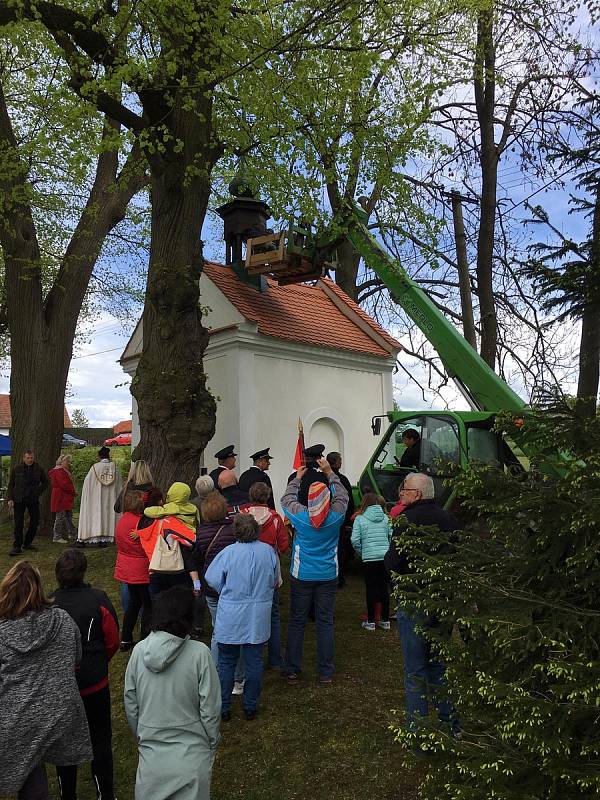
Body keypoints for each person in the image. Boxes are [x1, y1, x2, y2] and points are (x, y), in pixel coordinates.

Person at [0, 561, 92, 799]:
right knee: (35, 766)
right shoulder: (62, 619)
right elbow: (77, 656)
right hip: (60, 709)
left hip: (17, 715)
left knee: (28, 767)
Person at [124, 586, 221, 800]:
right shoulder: (200, 655)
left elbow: (131, 704)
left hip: (152, 762)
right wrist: (211, 743)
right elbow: (211, 709)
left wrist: (142, 734)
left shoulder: (139, 651)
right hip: (192, 760)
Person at [384, 473, 460, 732]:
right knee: (438, 663)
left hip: (414, 600)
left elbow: (392, 561)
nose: (400, 494)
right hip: (443, 600)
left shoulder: (406, 520)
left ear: (417, 494)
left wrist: (398, 585)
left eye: (404, 489)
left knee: (415, 669)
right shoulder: (449, 519)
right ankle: (450, 725)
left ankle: (419, 732)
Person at [52, 549, 119, 800]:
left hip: (71, 683)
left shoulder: (51, 603)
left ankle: (73, 793)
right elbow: (112, 640)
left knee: (70, 740)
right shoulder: (97, 599)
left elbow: (112, 640)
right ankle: (103, 793)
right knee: (99, 739)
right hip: (88, 682)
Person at [280, 454, 348, 684]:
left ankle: (292, 669)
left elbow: (286, 499)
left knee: (297, 621)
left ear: (309, 500)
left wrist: (296, 479)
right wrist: (329, 473)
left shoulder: (300, 516)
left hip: (302, 574)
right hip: (328, 574)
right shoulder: (336, 516)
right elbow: (343, 495)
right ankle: (326, 671)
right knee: (325, 622)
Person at [205, 514, 277, 721]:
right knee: (253, 661)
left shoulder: (228, 553)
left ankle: (224, 707)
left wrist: (226, 592)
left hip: (232, 614)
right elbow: (275, 580)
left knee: (227, 661)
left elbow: (212, 578)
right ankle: (250, 706)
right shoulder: (268, 552)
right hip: (257, 614)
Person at [191, 492, 244, 690]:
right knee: (237, 631)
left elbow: (195, 561)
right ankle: (238, 678)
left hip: (211, 587)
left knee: (217, 629)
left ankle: (214, 672)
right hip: (233, 586)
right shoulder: (234, 531)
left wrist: (197, 583)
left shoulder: (200, 534)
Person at [246, 482, 289, 668]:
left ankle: (249, 658)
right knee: (273, 615)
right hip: (269, 568)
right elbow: (284, 545)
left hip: (246, 567)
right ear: (267, 497)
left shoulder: (242, 515)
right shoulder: (275, 518)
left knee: (248, 614)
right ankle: (275, 659)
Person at [137, 482, 198, 596]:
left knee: (157, 604)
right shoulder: (192, 509)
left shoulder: (144, 524)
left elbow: (150, 511)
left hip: (156, 567)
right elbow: (192, 539)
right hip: (177, 564)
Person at [114, 491, 152, 650]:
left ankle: (126, 638)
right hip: (140, 568)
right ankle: (145, 638)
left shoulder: (122, 520)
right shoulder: (140, 523)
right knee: (147, 605)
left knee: (133, 604)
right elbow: (147, 544)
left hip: (126, 566)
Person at [351, 493, 392, 631]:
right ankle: (385, 620)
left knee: (371, 589)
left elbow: (355, 540)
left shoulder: (360, 519)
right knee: (384, 589)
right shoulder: (386, 518)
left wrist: (362, 552)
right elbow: (391, 536)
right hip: (384, 557)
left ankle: (371, 620)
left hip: (369, 558)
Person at [77, 447, 122, 548]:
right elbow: (119, 485)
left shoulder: (94, 468)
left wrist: (89, 497)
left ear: (99, 456)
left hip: (96, 500)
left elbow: (87, 485)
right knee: (107, 516)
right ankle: (104, 539)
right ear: (108, 456)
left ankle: (92, 536)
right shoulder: (115, 468)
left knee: (97, 516)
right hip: (110, 500)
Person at [7, 449, 49, 556]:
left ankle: (27, 542)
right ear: (24, 458)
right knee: (18, 523)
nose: (30, 460)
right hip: (19, 499)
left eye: (31, 458)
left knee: (35, 521)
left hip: (32, 499)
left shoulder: (38, 469)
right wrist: (10, 498)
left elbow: (45, 482)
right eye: (28, 458)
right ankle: (17, 546)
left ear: (33, 458)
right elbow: (11, 484)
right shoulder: (17, 469)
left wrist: (37, 492)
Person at [326, 451, 355, 587]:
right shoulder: (342, 479)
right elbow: (349, 501)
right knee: (339, 549)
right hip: (339, 520)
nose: (341, 462)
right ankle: (339, 577)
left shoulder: (322, 478)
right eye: (340, 460)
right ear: (336, 463)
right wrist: (348, 520)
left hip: (325, 520)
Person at [49, 454, 77, 544]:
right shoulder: (59, 471)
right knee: (60, 516)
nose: (69, 463)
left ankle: (72, 532)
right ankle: (57, 536)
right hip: (61, 496)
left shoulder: (62, 471)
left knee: (68, 516)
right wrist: (73, 491)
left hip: (64, 496)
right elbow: (64, 484)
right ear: (62, 461)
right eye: (67, 461)